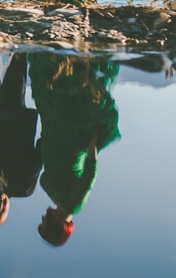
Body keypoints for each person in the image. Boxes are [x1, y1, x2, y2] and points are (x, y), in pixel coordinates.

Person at [29, 53, 121, 246]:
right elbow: (90, 175)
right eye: (44, 224)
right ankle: (74, 57)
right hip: (69, 141)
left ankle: (59, 56)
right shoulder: (74, 205)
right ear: (55, 226)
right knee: (66, 97)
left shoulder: (59, 200)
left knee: (48, 92)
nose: (42, 219)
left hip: (55, 134)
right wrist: (92, 146)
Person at [0, 53, 42, 226]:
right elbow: (40, 154)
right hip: (13, 112)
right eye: (2, 210)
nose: (0, 204)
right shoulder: (23, 188)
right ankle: (23, 31)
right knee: (18, 64)